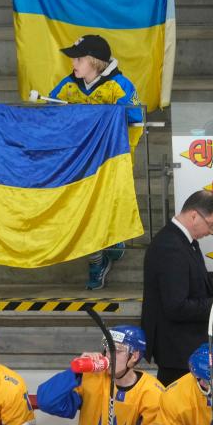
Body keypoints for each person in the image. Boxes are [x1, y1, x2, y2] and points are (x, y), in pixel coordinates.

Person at [50, 34, 141, 290]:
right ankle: (106, 249)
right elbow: (50, 111)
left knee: (100, 211)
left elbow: (136, 117)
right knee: (83, 212)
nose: (73, 64)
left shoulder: (119, 86)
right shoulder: (68, 85)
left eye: (78, 59)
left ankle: (97, 259)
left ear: (95, 62)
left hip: (110, 163)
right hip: (77, 163)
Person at [141, 189, 213, 386]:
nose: (211, 232)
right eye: (211, 226)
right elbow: (176, 306)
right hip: (177, 352)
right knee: (179, 412)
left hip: (185, 348)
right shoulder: (171, 246)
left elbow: (194, 292)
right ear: (194, 216)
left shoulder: (185, 242)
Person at [37, 325, 163, 425]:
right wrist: (76, 371)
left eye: (117, 351)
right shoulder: (91, 377)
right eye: (108, 349)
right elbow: (46, 401)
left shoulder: (152, 390)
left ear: (134, 356)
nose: (109, 355)